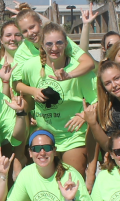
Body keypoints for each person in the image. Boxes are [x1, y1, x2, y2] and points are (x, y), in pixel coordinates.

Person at [13, 22, 96, 175]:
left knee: (72, 180)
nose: (54, 48)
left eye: (59, 43)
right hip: (43, 135)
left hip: (72, 135)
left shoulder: (78, 69)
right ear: (42, 46)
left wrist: (85, 115)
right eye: (49, 44)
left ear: (66, 44)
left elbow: (99, 99)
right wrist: (32, 92)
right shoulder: (32, 66)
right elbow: (16, 83)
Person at [12, 5, 96, 79]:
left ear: (40, 22)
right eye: (24, 31)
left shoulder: (58, 39)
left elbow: (88, 62)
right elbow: (17, 81)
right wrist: (34, 91)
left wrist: (68, 75)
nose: (30, 33)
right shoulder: (21, 52)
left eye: (32, 27)